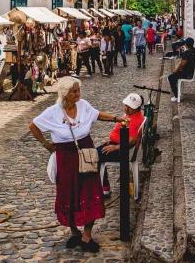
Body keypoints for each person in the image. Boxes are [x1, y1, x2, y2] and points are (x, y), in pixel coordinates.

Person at [29, 77, 125, 252]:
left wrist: (117, 119)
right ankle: (74, 232)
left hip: (86, 154)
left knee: (90, 192)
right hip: (66, 157)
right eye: (74, 91)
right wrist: (46, 145)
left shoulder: (83, 105)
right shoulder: (53, 112)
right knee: (68, 193)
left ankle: (87, 236)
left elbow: (97, 114)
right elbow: (33, 126)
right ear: (65, 94)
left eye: (78, 90)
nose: (78, 94)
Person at [96, 93, 145, 197]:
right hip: (118, 145)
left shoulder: (135, 120)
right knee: (94, 153)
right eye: (126, 105)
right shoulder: (132, 115)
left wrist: (114, 147)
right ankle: (103, 186)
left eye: (130, 107)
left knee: (94, 156)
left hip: (122, 150)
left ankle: (104, 188)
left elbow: (132, 141)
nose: (126, 109)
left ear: (137, 108)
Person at [169, 37, 195, 102]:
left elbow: (182, 64)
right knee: (175, 75)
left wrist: (176, 70)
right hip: (194, 73)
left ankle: (177, 96)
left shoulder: (187, 53)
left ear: (185, 44)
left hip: (188, 74)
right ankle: (178, 92)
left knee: (171, 77)